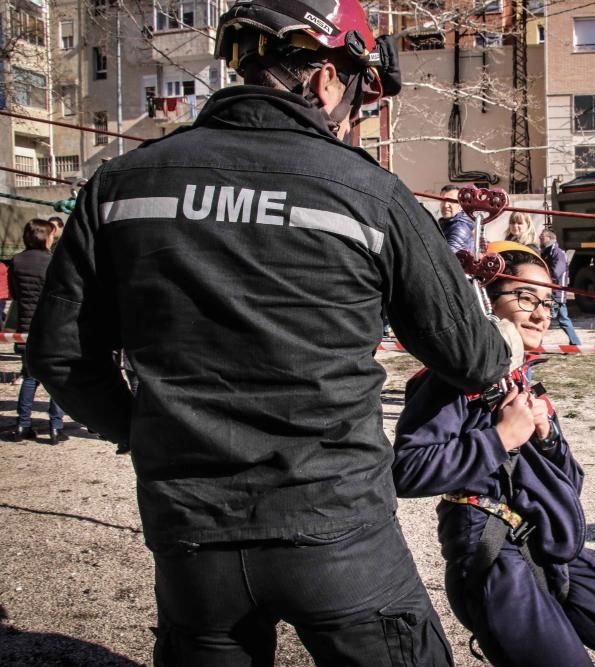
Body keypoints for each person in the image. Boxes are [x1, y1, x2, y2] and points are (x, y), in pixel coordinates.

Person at [28, 0, 514, 664]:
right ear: (322, 80)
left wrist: (146, 430)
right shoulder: (369, 194)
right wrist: (505, 341)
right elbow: (471, 357)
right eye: (357, 96)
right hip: (338, 529)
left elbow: (60, 353)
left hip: (191, 535)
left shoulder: (120, 184)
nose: (355, 118)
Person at [393, 242, 595, 667]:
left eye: (548, 302)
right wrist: (500, 438)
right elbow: (408, 471)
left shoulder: (526, 382)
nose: (541, 313)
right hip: (493, 551)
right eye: (525, 298)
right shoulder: (451, 381)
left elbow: (570, 482)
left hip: (552, 545)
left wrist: (544, 438)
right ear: (485, 301)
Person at [7, 219, 66, 443]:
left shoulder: (17, 261)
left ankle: (22, 425)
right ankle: (55, 427)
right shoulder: (52, 262)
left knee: (29, 377)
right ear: (45, 236)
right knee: (55, 380)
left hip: (24, 326)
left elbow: (14, 294)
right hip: (49, 327)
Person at [539, 228, 582, 346]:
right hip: (550, 291)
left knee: (555, 318)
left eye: (542, 237)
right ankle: (575, 343)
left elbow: (557, 272)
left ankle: (576, 343)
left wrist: (543, 277)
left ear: (550, 238)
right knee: (556, 318)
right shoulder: (547, 252)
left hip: (556, 292)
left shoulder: (557, 253)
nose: (540, 239)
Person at [440, 183, 479, 254]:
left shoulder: (460, 227)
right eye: (443, 200)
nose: (446, 205)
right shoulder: (446, 223)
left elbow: (448, 257)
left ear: (460, 205)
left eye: (451, 201)